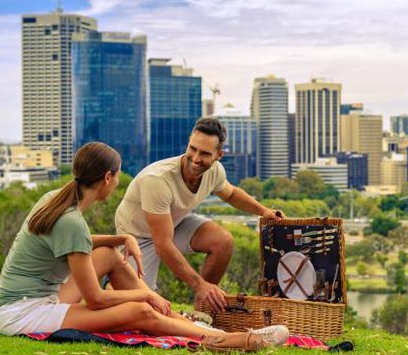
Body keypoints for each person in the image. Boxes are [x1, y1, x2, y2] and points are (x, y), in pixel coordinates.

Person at [0, 142, 288, 352]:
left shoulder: (56, 199)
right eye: (117, 176)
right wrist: (145, 293)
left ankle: (194, 327)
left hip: (35, 299)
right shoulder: (71, 220)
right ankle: (231, 341)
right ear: (107, 178)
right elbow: (94, 299)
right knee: (140, 311)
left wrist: (119, 239)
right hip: (22, 313)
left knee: (108, 256)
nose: (118, 182)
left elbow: (73, 244)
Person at [115, 118, 283, 313]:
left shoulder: (215, 171)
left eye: (204, 153)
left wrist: (264, 211)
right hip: (137, 236)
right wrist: (199, 284)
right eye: (192, 149)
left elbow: (230, 193)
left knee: (223, 241)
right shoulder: (157, 180)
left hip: (174, 222)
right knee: (140, 308)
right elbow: (163, 245)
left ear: (218, 155)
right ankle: (113, 279)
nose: (195, 158)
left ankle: (201, 312)